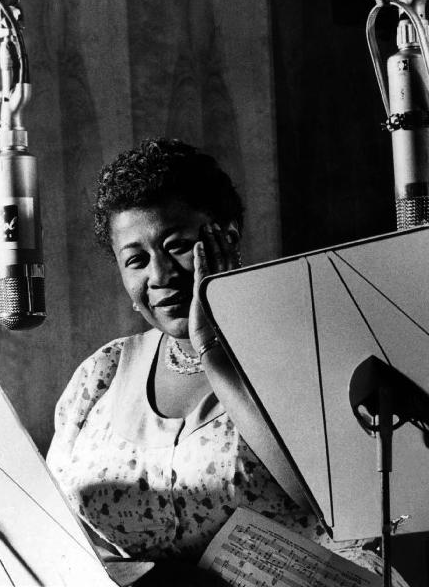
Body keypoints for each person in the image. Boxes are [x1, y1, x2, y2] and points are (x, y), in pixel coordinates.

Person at [45, 138, 408, 585]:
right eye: (136, 260)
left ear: (227, 238)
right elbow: (57, 530)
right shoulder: (100, 375)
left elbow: (337, 505)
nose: (159, 276)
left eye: (177, 246)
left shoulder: (305, 350)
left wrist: (213, 349)